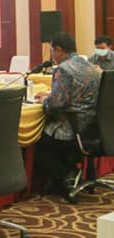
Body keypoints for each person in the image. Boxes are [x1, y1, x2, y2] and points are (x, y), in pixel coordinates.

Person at [33, 32, 101, 198]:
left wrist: (44, 100)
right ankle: (65, 182)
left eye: (52, 50)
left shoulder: (64, 69)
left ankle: (68, 173)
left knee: (39, 147)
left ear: (58, 50)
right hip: (93, 126)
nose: (52, 55)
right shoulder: (90, 67)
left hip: (72, 128)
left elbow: (55, 105)